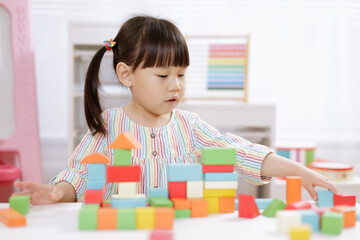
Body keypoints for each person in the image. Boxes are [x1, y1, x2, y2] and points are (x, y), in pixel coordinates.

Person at [13, 15, 337, 205]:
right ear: (126, 74)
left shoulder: (190, 126)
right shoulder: (108, 127)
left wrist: (299, 170)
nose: (175, 86)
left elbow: (242, 152)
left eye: (181, 74)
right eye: (163, 75)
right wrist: (57, 193)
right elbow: (80, 176)